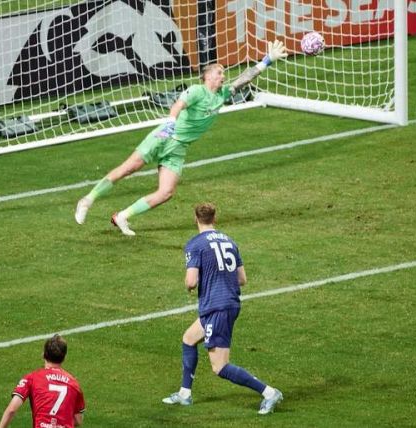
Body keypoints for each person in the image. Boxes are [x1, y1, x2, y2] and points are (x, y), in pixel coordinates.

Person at [74, 41, 289, 236]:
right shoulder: (196, 91)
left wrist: (267, 60)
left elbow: (244, 79)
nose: (223, 76)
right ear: (207, 76)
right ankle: (87, 200)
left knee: (166, 192)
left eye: (223, 73)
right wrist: (170, 122)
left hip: (179, 148)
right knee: (128, 169)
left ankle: (122, 216)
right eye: (219, 72)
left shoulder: (221, 95)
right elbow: (178, 105)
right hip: (164, 136)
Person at [161, 203, 282, 414]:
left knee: (220, 367)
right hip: (226, 303)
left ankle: (269, 392)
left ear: (195, 219)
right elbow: (242, 279)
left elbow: (191, 282)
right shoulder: (230, 241)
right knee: (189, 338)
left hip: (217, 307)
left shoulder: (195, 244)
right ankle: (184, 394)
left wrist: (194, 284)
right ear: (214, 218)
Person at [0, 335, 84, 428]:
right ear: (64, 357)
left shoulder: (32, 378)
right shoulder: (74, 384)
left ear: (43, 354)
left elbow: (12, 410)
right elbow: (78, 420)